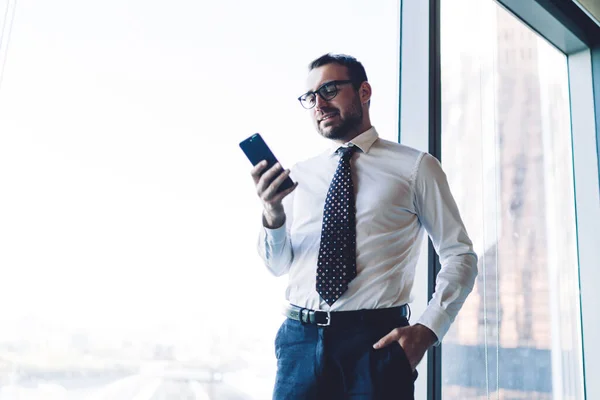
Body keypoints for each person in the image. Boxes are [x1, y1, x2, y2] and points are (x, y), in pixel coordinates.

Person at [250, 53, 478, 400]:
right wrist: (272, 213)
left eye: (329, 89)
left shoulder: (416, 167)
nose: (319, 105)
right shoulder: (301, 175)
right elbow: (278, 265)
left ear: (364, 91)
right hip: (299, 341)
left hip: (376, 344)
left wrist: (427, 330)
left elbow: (460, 255)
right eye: (310, 98)